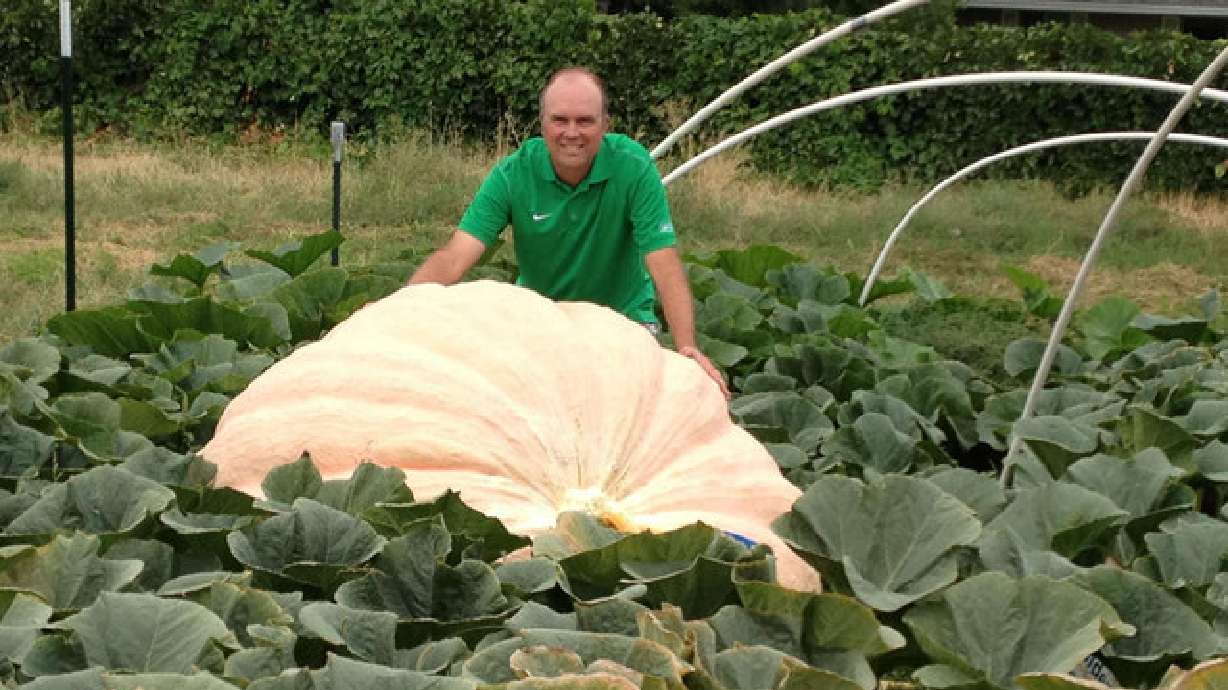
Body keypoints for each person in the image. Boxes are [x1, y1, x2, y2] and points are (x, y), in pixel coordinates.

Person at [408, 66, 730, 399]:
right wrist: (397, 310)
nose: (571, 133)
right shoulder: (513, 174)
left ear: (606, 124)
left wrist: (687, 347)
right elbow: (455, 257)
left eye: (585, 121)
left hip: (623, 321)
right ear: (543, 123)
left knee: (622, 405)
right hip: (541, 321)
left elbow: (662, 261)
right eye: (560, 120)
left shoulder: (633, 168)